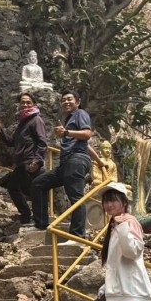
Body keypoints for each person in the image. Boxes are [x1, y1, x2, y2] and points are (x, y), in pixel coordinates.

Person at [31, 89, 92, 240]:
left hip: (76, 159)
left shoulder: (80, 113)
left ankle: (77, 236)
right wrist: (100, 162)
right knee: (38, 184)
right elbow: (86, 144)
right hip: (66, 163)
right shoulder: (69, 120)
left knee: (76, 197)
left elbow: (87, 134)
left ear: (78, 102)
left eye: (69, 99)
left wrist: (66, 132)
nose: (66, 102)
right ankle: (41, 224)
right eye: (63, 100)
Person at [0, 93, 47, 225]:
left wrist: (37, 160)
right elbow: (11, 142)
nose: (25, 105)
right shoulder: (23, 122)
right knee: (14, 187)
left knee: (33, 191)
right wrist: (0, 130)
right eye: (23, 102)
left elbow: (42, 142)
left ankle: (39, 221)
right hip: (22, 163)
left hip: (31, 162)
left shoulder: (36, 120)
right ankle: (27, 215)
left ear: (34, 104)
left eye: (28, 102)